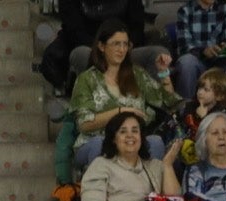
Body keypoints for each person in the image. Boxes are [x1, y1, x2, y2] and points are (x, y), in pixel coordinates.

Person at [71, 20, 180, 169]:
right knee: (98, 144)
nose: (122, 49)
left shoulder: (137, 74)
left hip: (131, 142)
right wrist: (121, 112)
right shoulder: (86, 79)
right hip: (95, 141)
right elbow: (84, 124)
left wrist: (163, 73)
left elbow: (169, 102)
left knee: (155, 142)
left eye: (125, 44)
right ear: (102, 46)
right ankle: (100, 190)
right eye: (116, 44)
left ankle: (151, 191)